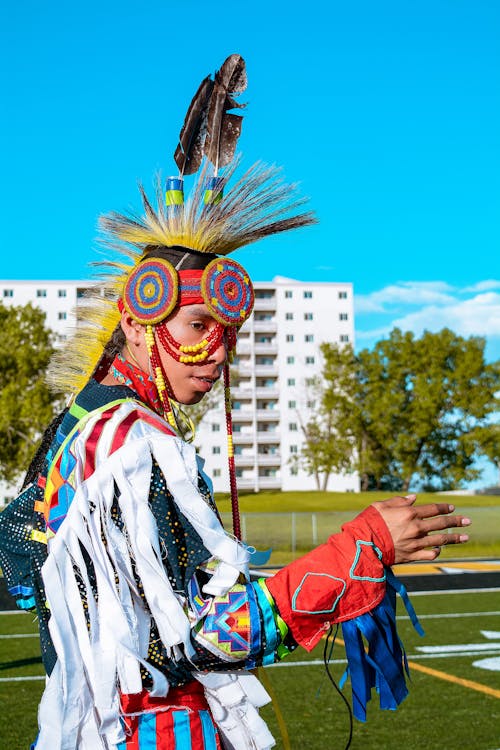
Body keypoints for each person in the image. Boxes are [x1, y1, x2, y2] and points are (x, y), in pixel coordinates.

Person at [0, 55, 471, 750]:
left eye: (227, 335)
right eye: (197, 328)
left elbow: (16, 549)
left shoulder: (79, 428)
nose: (217, 352)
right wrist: (356, 549)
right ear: (137, 323)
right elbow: (202, 642)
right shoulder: (133, 446)